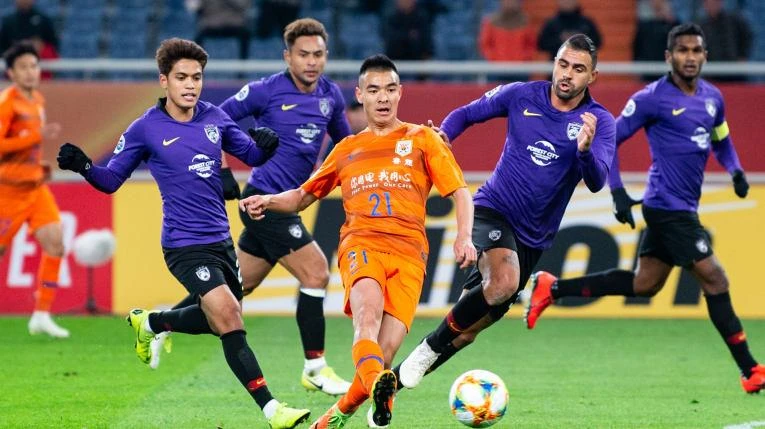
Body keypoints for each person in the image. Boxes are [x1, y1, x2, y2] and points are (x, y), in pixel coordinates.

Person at [55, 38, 311, 428]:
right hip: (183, 244)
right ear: (164, 81)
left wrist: (267, 145)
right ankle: (273, 410)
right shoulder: (146, 128)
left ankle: (153, 323)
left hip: (221, 240)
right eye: (182, 77)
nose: (191, 85)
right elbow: (111, 181)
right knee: (229, 316)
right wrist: (85, 166)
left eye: (196, 77)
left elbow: (252, 154)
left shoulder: (215, 118)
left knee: (218, 319)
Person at [524, 23, 765, 394]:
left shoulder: (713, 98)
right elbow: (611, 139)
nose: (689, 57)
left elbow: (721, 137)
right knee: (716, 279)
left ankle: (552, 288)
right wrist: (618, 191)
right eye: (682, 51)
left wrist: (734, 170)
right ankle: (751, 370)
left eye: (696, 50)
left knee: (645, 284)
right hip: (666, 207)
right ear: (669, 57)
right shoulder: (652, 98)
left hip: (685, 207)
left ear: (705, 56)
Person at [239, 54, 476, 429]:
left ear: (400, 93)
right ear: (361, 95)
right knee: (366, 321)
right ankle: (377, 394)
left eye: (390, 89)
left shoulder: (424, 139)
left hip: (410, 255)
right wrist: (268, 200)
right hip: (362, 245)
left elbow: (460, 193)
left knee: (383, 356)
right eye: (375, 90)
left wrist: (464, 237)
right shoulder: (346, 149)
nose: (383, 97)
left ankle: (336, 416)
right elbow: (302, 197)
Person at [393, 34, 616, 393]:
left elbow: (597, 181)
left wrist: (585, 152)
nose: (567, 74)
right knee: (504, 284)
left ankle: (391, 387)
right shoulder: (521, 95)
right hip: (493, 208)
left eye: (578, 69)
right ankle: (427, 350)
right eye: (563, 64)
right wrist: (444, 136)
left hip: (533, 238)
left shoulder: (599, 121)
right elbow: (466, 113)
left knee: (467, 331)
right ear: (554, 63)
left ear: (593, 77)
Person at [160, 18, 355, 396]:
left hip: (290, 203)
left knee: (235, 290)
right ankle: (315, 368)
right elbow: (210, 122)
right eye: (303, 54)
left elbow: (346, 145)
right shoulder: (265, 91)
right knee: (316, 272)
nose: (311, 62)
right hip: (262, 202)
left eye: (318, 54)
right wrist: (222, 169)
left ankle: (159, 323)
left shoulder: (330, 95)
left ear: (326, 56)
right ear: (287, 57)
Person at [0, 42, 66, 338]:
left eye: (33, 66)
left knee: (55, 244)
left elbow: (28, 146)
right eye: (23, 67)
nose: (30, 72)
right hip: (8, 191)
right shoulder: (7, 103)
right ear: (11, 73)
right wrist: (34, 136)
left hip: (35, 188)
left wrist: (38, 165)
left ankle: (41, 315)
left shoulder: (37, 99)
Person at [699, 0, 752, 82]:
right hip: (712, 73)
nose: (711, 6)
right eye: (708, 3)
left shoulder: (734, 20)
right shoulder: (702, 26)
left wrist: (743, 55)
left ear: (720, 3)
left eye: (714, 3)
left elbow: (747, 36)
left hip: (734, 71)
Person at [187, 0, 251, 60]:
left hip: (235, 23)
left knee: (246, 33)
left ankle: (243, 65)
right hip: (210, 23)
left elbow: (245, 5)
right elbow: (194, 7)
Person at [633, 0, 679, 81]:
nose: (656, 3)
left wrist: (669, 21)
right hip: (648, 71)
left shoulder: (673, 25)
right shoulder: (645, 26)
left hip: (668, 70)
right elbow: (637, 47)